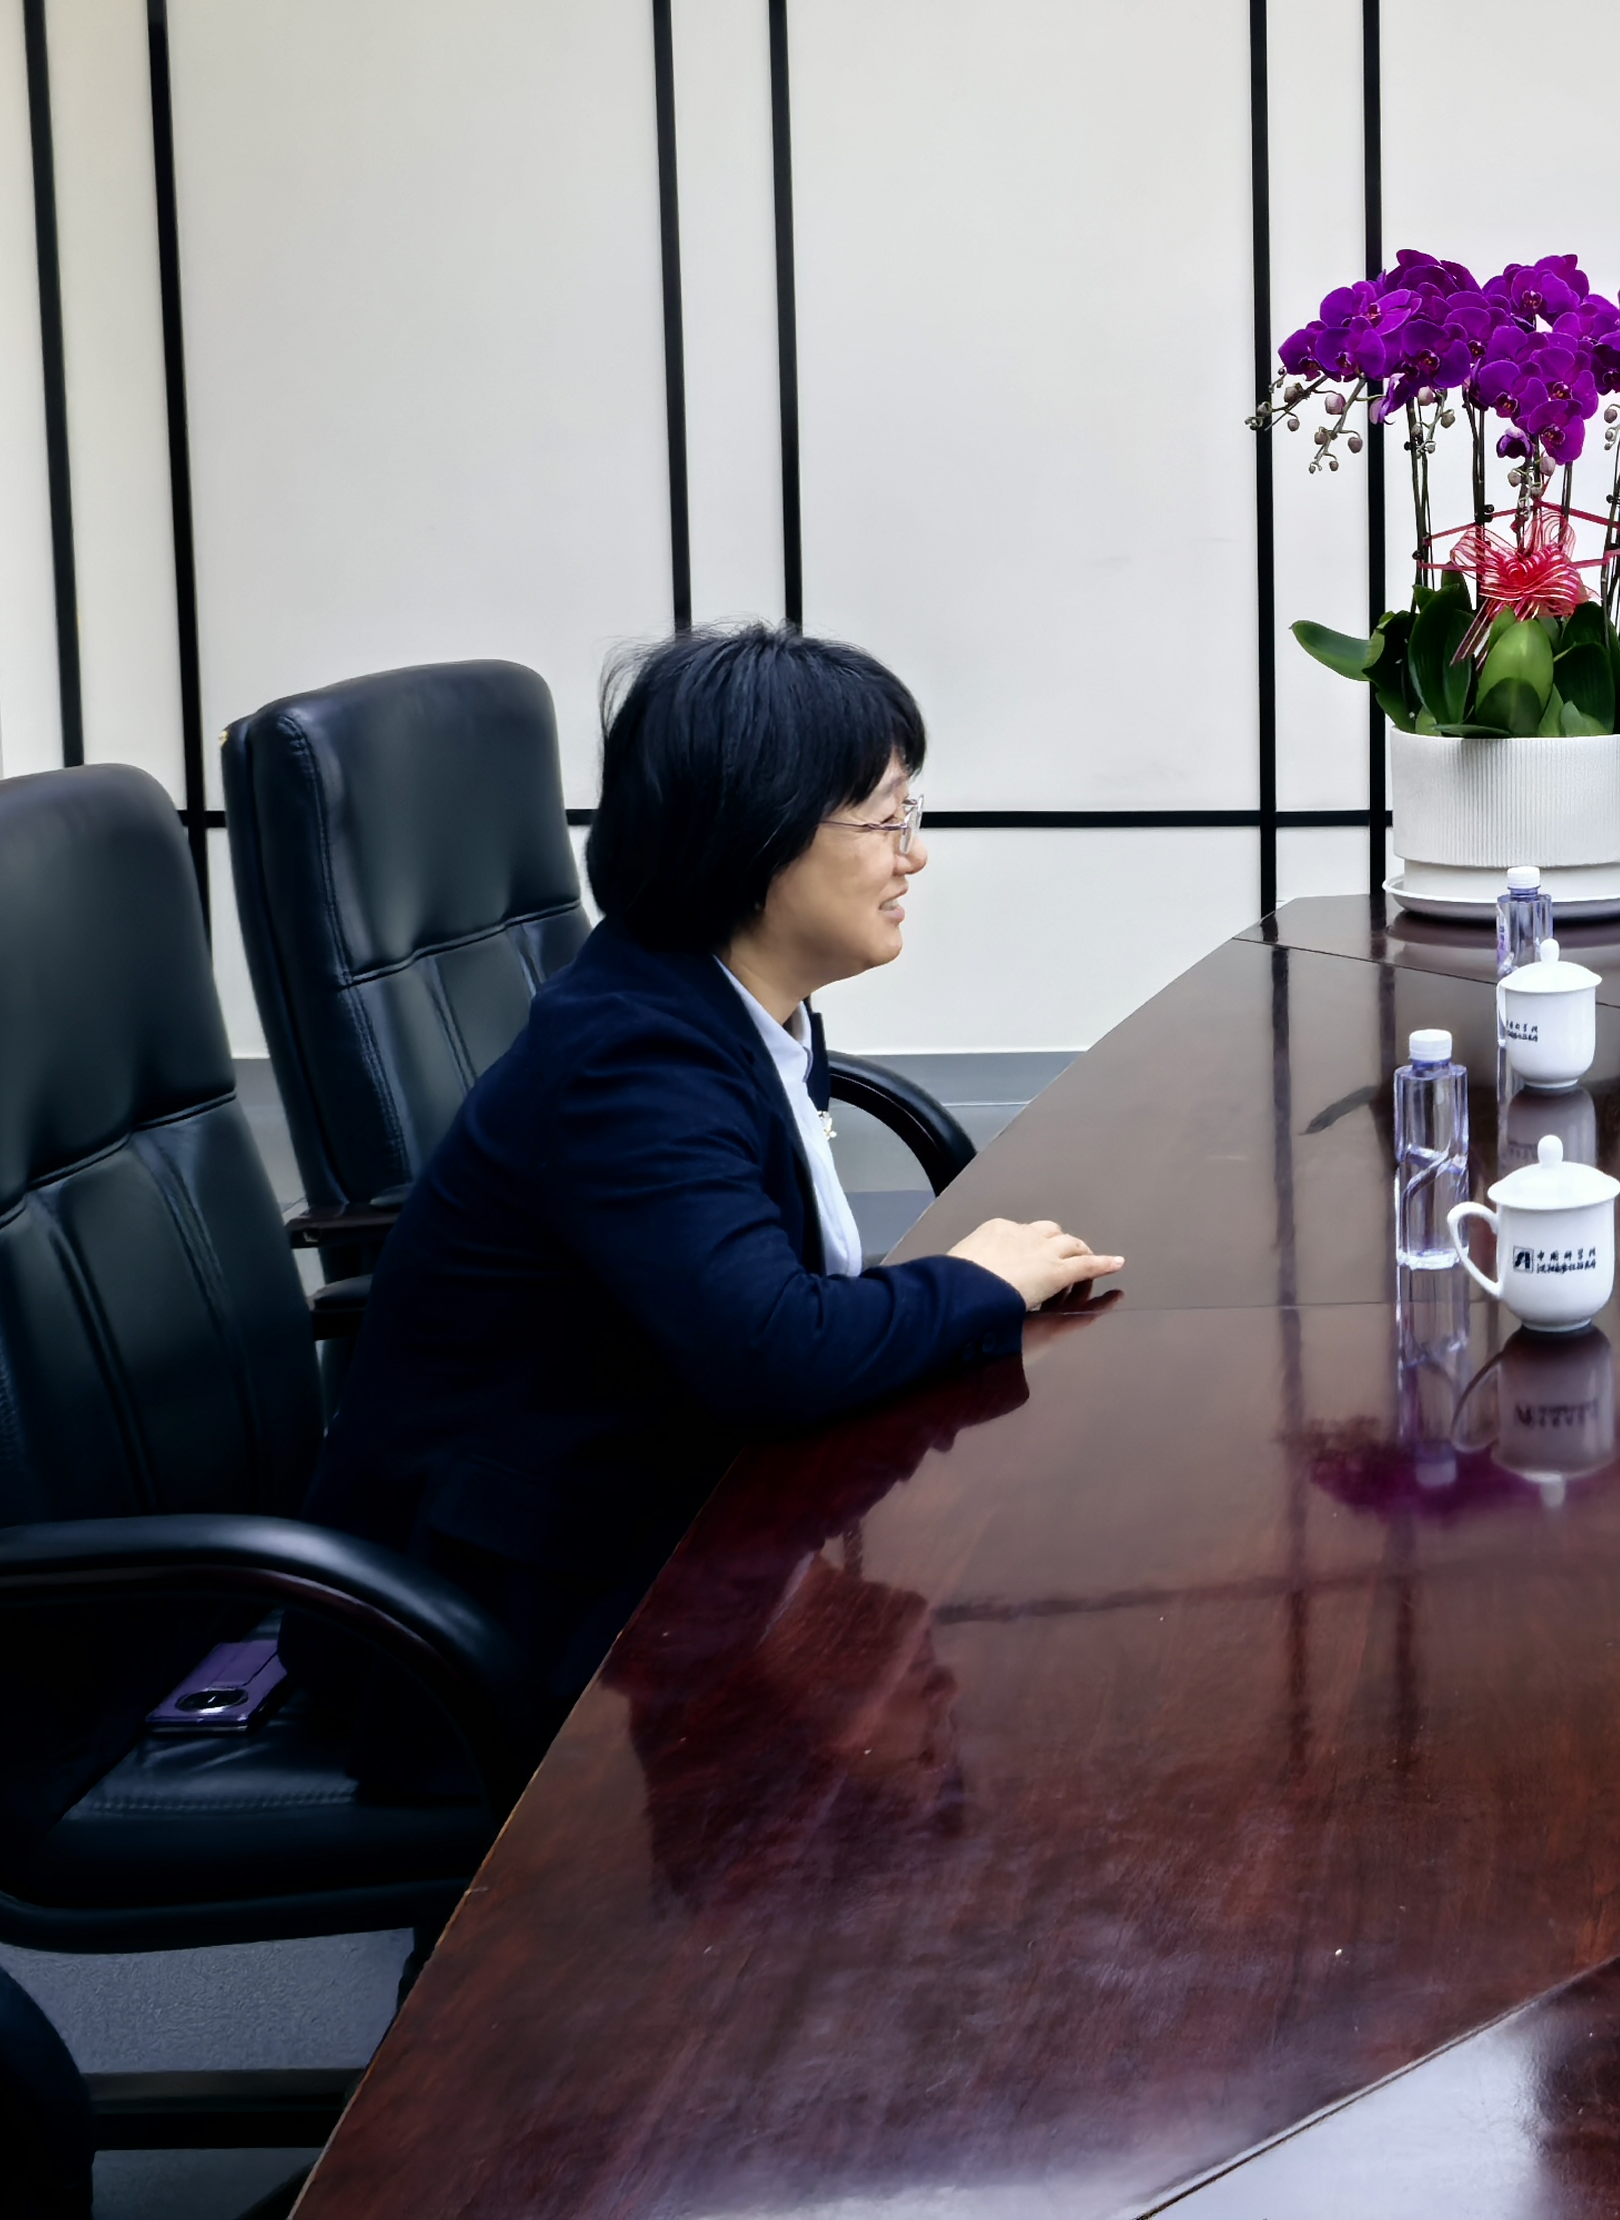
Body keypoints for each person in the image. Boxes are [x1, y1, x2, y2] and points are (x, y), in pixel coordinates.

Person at [310, 624, 1122, 1724]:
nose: (913, 856)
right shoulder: (634, 1062)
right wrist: (974, 1282)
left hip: (640, 1515)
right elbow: (770, 1351)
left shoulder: (724, 1001)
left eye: (909, 813)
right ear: (758, 832)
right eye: (884, 818)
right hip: (497, 1627)